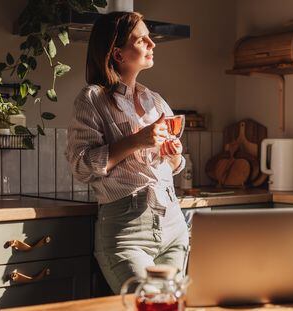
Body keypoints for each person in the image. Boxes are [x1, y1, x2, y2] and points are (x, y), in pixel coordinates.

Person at [66, 11, 189, 294]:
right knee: (145, 304)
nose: (152, 43)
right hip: (127, 232)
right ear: (118, 54)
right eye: (141, 39)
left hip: (173, 224)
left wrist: (173, 153)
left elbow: (173, 165)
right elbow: (81, 166)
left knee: (171, 307)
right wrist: (136, 140)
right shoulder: (92, 99)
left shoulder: (155, 101)